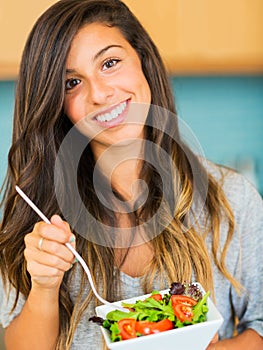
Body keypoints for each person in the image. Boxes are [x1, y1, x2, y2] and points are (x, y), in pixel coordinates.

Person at [0, 0, 262, 349]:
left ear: (143, 61)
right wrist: (45, 287)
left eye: (110, 63)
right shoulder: (41, 223)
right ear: (56, 104)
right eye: (72, 83)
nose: (100, 94)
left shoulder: (231, 198)